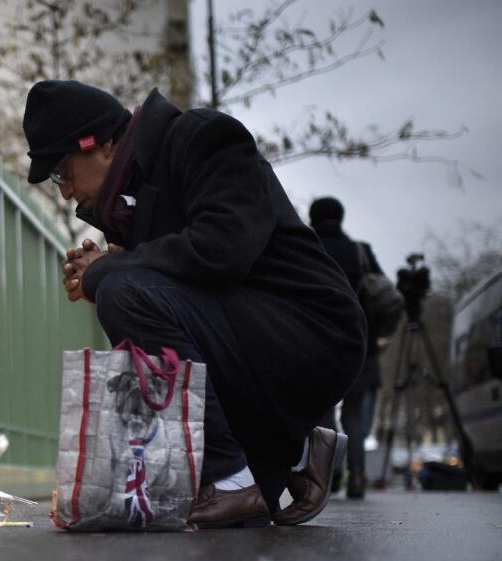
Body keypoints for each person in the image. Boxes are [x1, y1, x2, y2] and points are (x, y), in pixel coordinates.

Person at [23, 80, 366, 527]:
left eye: (63, 171)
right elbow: (183, 309)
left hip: (314, 331)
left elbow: (223, 247)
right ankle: (295, 455)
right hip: (261, 333)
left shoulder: (203, 136)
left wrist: (109, 271)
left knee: (123, 295)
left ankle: (230, 478)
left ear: (105, 144)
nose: (65, 191)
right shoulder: (132, 201)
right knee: (129, 298)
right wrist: (114, 264)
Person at [309, 197, 387, 499]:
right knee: (353, 415)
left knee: (323, 412)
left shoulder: (306, 246)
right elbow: (380, 291)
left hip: (317, 343)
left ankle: (329, 478)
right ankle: (358, 479)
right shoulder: (360, 251)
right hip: (360, 343)